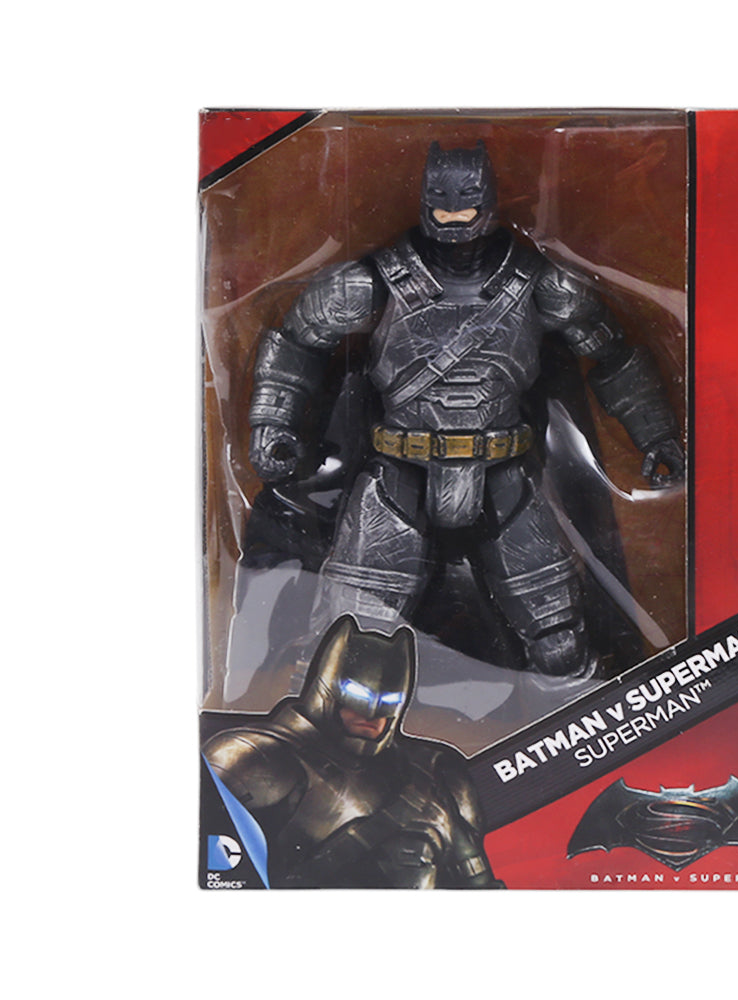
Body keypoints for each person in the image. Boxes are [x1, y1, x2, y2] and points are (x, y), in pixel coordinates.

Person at [248, 141, 684, 679]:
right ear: (425, 201)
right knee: (350, 638)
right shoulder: (369, 283)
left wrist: (655, 435)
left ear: (490, 202)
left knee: (559, 640)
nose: (454, 215)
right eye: (442, 203)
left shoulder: (543, 286)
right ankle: (343, 725)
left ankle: (573, 724)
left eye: (467, 204)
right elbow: (297, 343)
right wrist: (273, 422)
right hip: (399, 474)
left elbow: (612, 352)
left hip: (504, 476)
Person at [204, 616, 503, 888]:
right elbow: (219, 874)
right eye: (358, 696)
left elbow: (479, 892)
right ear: (327, 690)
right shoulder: (258, 759)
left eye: (388, 701)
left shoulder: (433, 779)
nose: (371, 713)